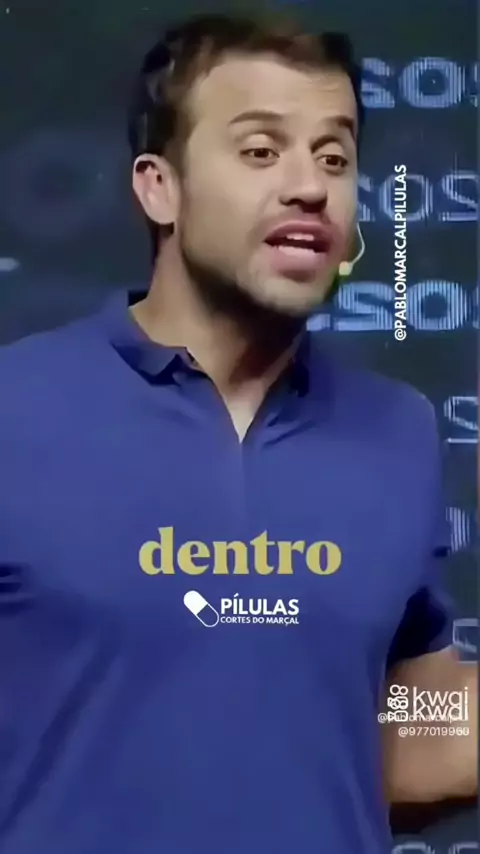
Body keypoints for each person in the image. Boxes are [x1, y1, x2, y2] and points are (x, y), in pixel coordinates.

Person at [0, 12, 476, 854]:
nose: (310, 186)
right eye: (262, 151)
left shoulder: (397, 430)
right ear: (160, 188)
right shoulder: (16, 407)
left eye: (334, 157)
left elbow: (417, 729)